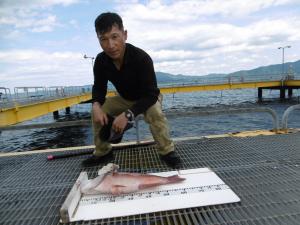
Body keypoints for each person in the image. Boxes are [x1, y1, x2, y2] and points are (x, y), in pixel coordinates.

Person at [82, 12, 181, 168]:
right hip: (125, 98)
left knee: (155, 112)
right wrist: (96, 105)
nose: (110, 45)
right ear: (98, 40)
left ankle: (167, 151)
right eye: (104, 39)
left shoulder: (141, 58)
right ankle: (103, 152)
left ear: (125, 34)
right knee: (99, 110)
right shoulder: (101, 60)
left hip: (147, 98)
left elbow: (151, 94)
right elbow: (99, 87)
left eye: (115, 37)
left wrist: (128, 115)